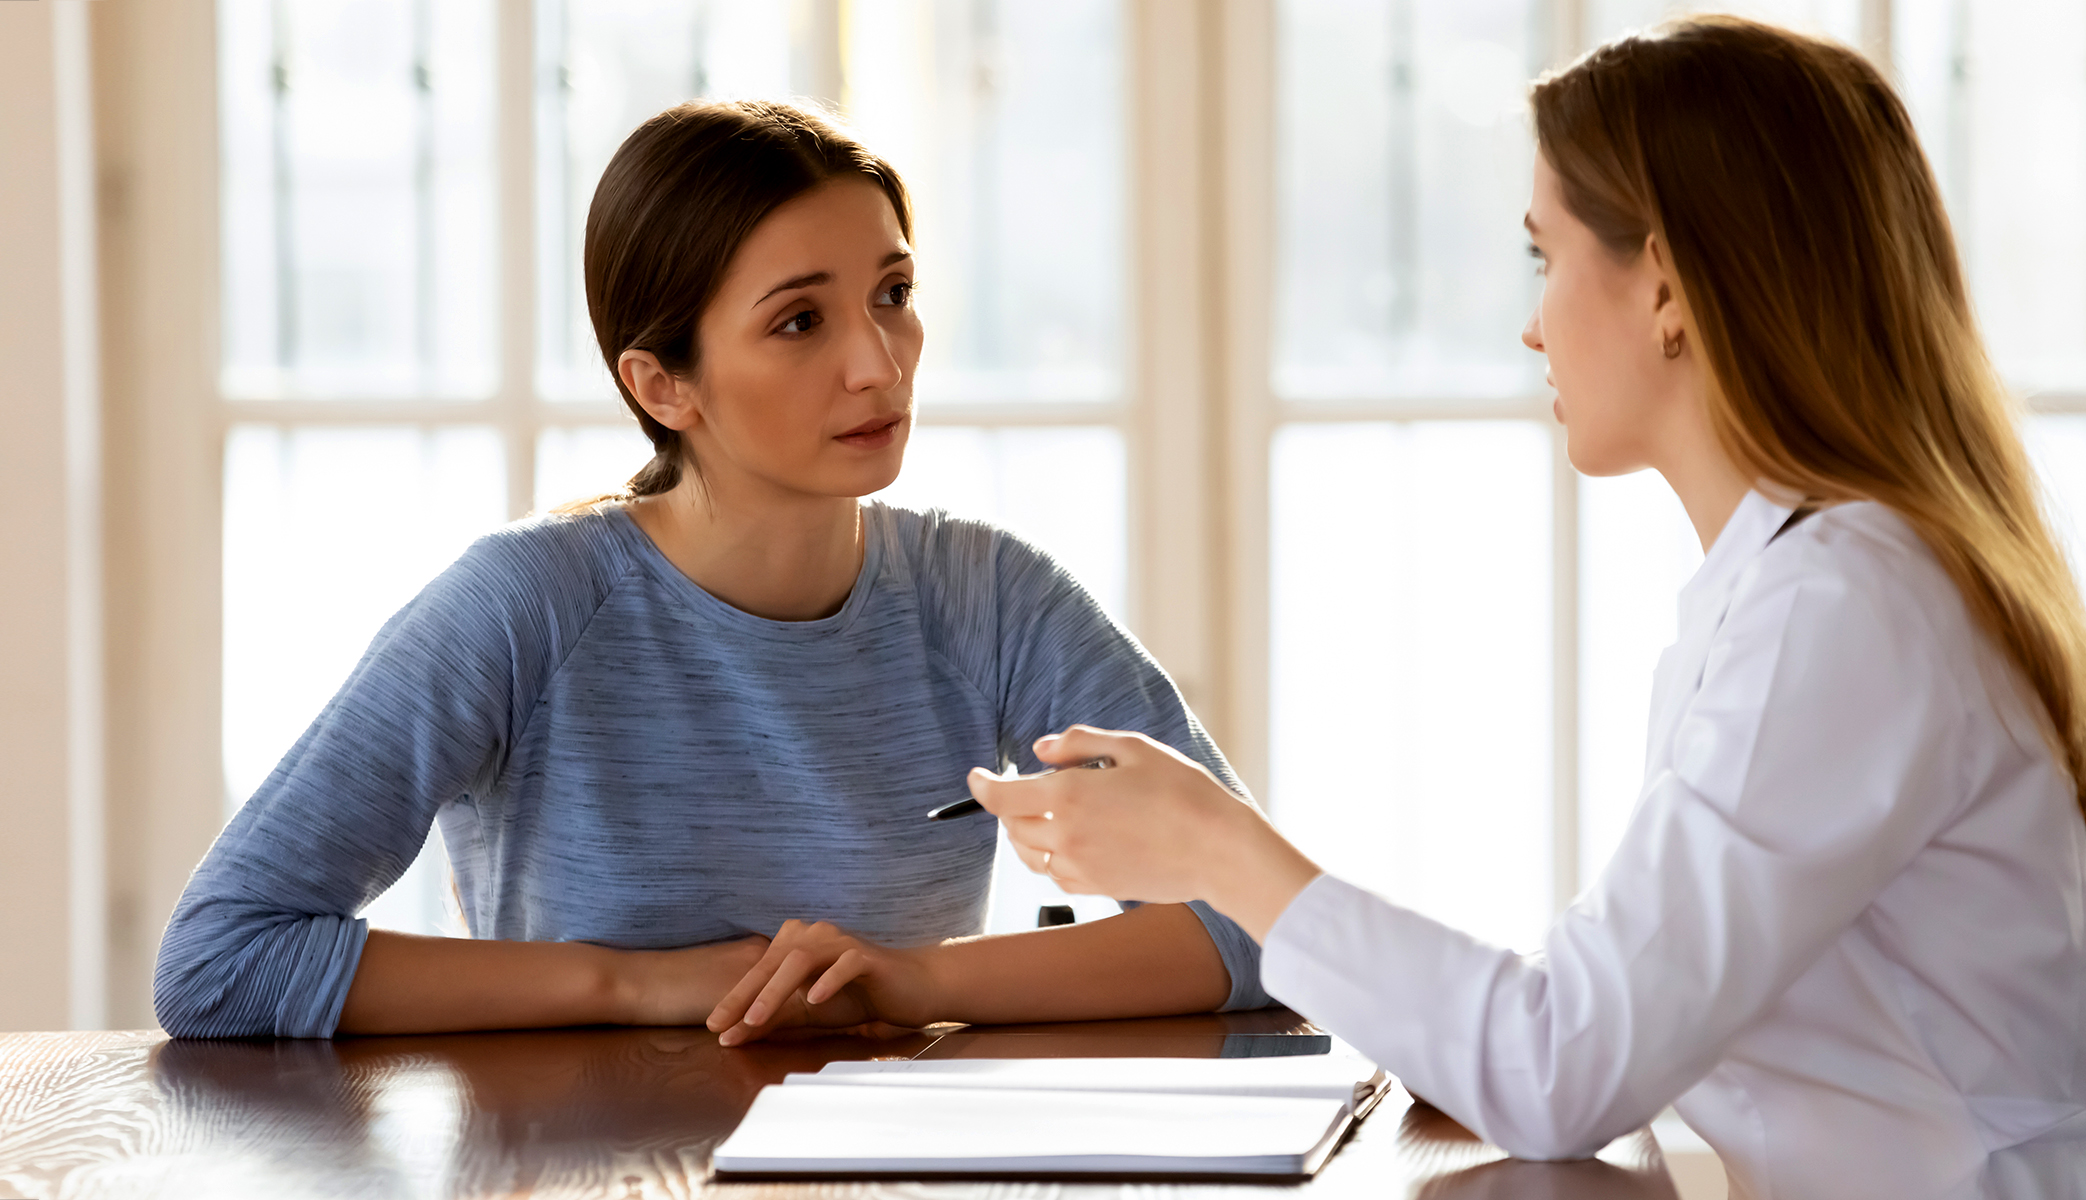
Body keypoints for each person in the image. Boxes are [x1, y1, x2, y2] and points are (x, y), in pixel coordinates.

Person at [950, 17, 2086, 1200]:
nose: (1531, 324)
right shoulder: (1809, 578)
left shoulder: (1844, 605)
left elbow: (1561, 1071)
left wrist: (1223, 853)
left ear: (1665, 285)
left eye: (1547, 258)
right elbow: (1592, 1023)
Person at [154, 99, 1269, 1042]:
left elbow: (1261, 927)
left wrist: (909, 979)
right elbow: (222, 959)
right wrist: (646, 984)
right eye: (799, 321)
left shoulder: (990, 596)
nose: (879, 365)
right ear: (663, 385)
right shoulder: (521, 607)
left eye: (892, 292)